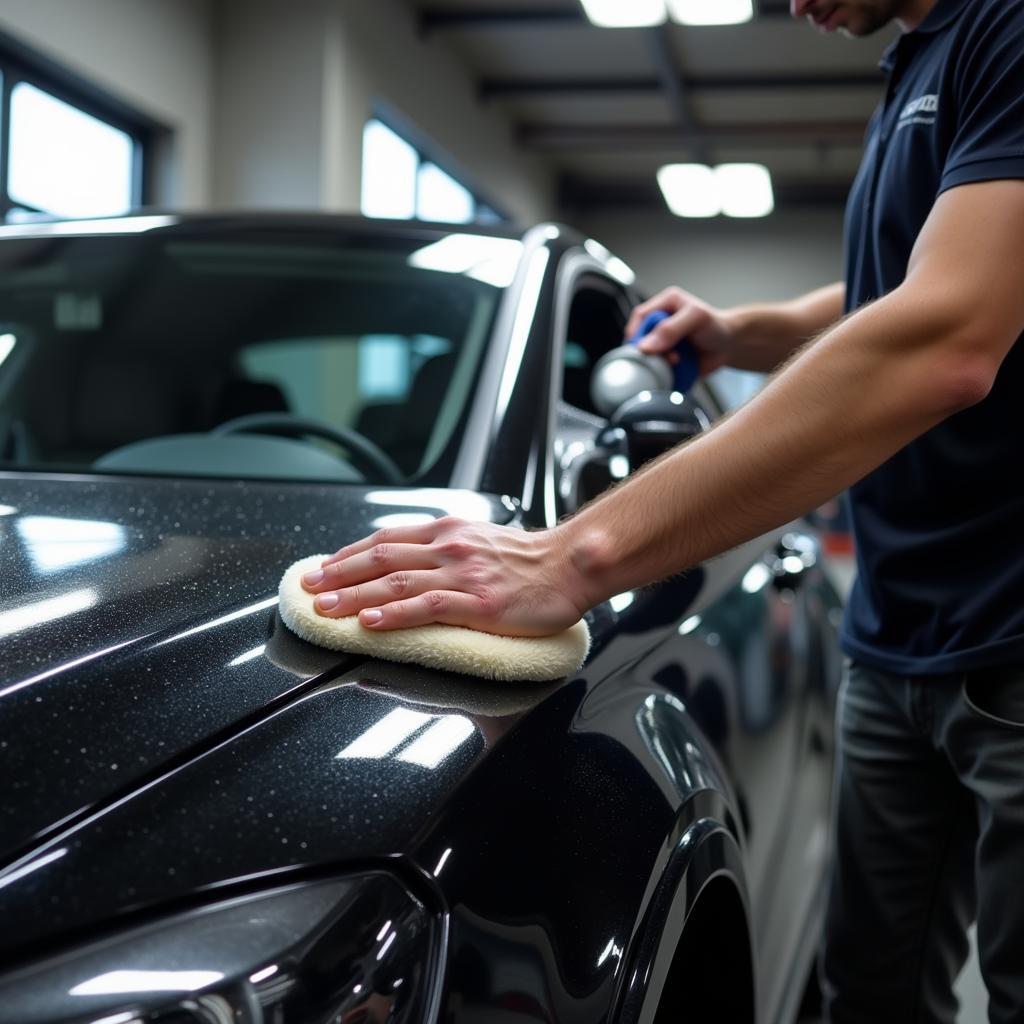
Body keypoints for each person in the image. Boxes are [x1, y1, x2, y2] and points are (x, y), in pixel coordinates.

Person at [301, 0, 1024, 1019]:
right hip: (897, 628)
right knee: (866, 990)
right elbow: (901, 282)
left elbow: (949, 331)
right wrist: (740, 330)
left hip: (1009, 631)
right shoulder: (915, 58)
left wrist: (571, 556)